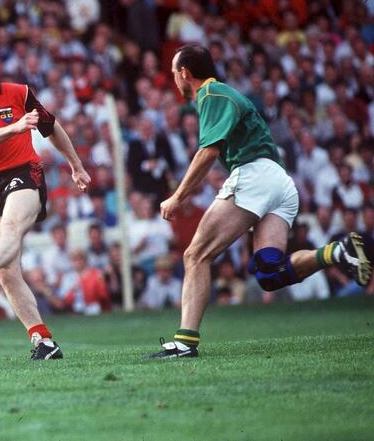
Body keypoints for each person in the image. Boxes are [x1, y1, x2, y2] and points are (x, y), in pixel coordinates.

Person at [148, 45, 371, 359]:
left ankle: (185, 342)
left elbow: (208, 152)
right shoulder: (223, 94)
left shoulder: (211, 93)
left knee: (195, 255)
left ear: (184, 73)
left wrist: (177, 196)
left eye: (173, 72)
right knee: (269, 272)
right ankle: (337, 252)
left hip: (255, 175)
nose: (173, 78)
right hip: (280, 181)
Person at [0, 42, 91, 360]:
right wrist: (14, 128)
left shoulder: (19, 93)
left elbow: (51, 126)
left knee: (11, 229)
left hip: (25, 173)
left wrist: (76, 165)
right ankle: (43, 341)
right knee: (7, 272)